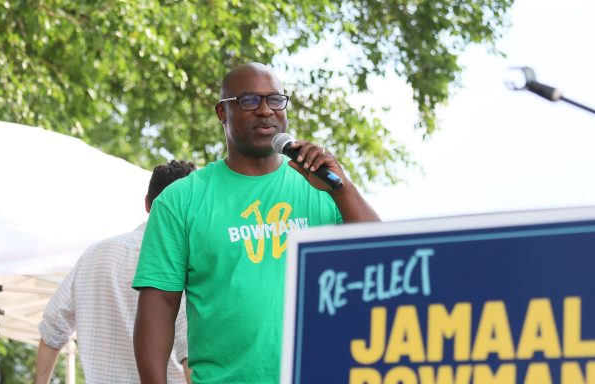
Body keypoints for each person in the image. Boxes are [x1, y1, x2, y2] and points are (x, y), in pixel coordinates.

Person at [132, 62, 380, 383]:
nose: (266, 111)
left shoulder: (321, 187)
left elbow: (381, 256)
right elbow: (160, 306)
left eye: (275, 100)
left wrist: (342, 189)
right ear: (222, 113)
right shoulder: (181, 200)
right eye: (249, 101)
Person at [35, 160, 197, 384]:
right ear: (190, 209)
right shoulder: (184, 264)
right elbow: (192, 356)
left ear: (147, 204)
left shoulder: (93, 256)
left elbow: (51, 330)